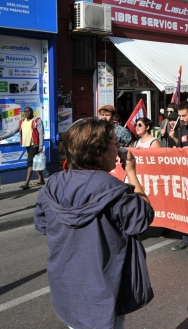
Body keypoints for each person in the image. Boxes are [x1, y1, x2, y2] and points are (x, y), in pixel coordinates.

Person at [34, 118, 154, 329]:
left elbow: (42, 224)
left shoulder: (52, 184)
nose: (118, 150)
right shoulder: (113, 188)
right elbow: (142, 217)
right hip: (103, 289)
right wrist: (132, 173)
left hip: (66, 287)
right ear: (99, 153)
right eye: (115, 144)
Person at [171, 101, 188, 251]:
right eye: (180, 115)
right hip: (186, 174)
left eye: (184, 115)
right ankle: (187, 238)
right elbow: (181, 149)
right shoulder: (181, 128)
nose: (180, 118)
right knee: (185, 205)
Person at [0, 106, 44, 189]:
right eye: (25, 112)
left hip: (34, 145)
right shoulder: (21, 122)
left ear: (32, 112)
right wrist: (4, 137)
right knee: (34, 161)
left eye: (29, 111)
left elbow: (41, 133)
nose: (27, 113)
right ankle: (41, 179)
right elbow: (13, 131)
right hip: (27, 145)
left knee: (29, 162)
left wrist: (40, 146)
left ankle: (26, 182)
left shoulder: (37, 121)